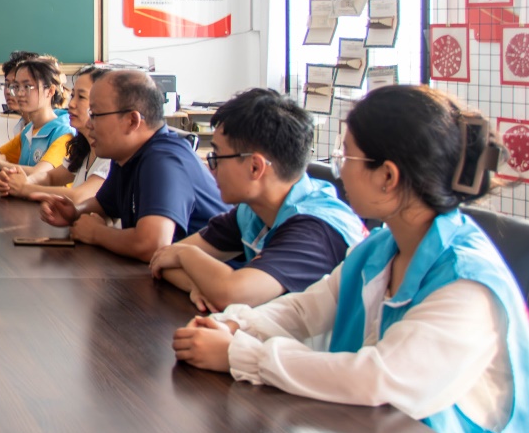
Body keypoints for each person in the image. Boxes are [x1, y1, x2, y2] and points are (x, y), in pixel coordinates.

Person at [173, 85, 529, 433]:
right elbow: (306, 308)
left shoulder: (467, 285)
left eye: (346, 155)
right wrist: (235, 325)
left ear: (387, 176)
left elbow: (378, 378)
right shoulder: (383, 246)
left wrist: (241, 354)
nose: (339, 169)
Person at [149, 89, 366, 312]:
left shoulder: (314, 229)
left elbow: (231, 294)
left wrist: (186, 255)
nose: (211, 169)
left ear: (255, 167)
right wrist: (199, 286)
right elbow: (162, 260)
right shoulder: (254, 210)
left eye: (217, 157)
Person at [40, 69, 227, 262]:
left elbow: (151, 244)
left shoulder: (163, 160)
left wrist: (96, 233)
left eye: (95, 115)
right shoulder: (126, 155)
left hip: (212, 277)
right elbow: (105, 205)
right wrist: (75, 212)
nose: (89, 124)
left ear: (132, 121)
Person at [0, 64, 112, 204]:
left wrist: (24, 188)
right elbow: (50, 177)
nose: (71, 104)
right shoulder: (83, 148)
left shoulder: (111, 156)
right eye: (73, 95)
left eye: (81, 97)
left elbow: (78, 196)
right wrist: (18, 181)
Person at [0, 54, 74, 180]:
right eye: (16, 86)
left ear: (50, 91)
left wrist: (0, 164)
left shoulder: (64, 133)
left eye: (27, 87)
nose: (19, 93)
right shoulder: (28, 130)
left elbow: (40, 174)